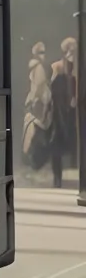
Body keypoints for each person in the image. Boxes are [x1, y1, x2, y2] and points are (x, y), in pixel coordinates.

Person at [50, 37, 78, 189]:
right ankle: (57, 178)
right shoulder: (59, 70)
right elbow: (56, 93)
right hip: (60, 114)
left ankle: (60, 178)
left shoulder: (72, 73)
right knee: (57, 146)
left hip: (69, 113)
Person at [24, 41, 53, 177]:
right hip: (39, 103)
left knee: (36, 130)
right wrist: (36, 99)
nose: (43, 55)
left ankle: (34, 160)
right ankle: (36, 160)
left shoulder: (34, 67)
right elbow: (39, 86)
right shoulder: (38, 67)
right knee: (39, 131)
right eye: (41, 52)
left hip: (36, 102)